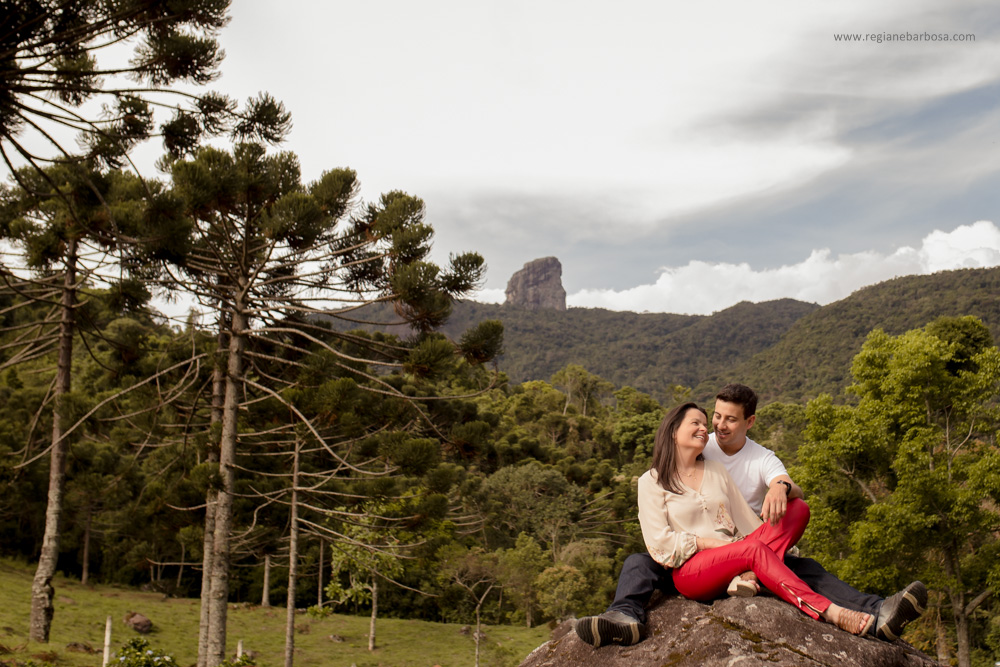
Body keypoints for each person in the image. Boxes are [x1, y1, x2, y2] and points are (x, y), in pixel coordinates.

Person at [575, 384, 927, 648]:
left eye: (723, 420)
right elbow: (661, 543)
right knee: (637, 563)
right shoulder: (651, 481)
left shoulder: (729, 465)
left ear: (749, 422)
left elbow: (748, 522)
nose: (712, 428)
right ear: (672, 431)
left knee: (797, 517)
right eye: (705, 421)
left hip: (740, 555)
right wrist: (717, 545)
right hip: (690, 565)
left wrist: (777, 536)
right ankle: (623, 617)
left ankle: (875, 611)